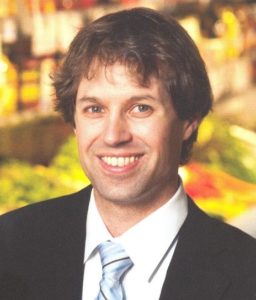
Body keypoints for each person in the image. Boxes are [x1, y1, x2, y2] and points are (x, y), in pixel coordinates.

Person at [0, 7, 256, 300]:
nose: (113, 135)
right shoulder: (10, 245)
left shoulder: (247, 274)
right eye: (95, 109)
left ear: (188, 121)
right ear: (74, 122)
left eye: (140, 108)